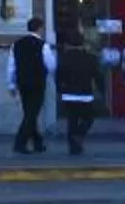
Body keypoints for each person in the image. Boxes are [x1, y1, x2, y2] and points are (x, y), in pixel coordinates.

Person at [55, 26, 104, 155]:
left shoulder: (65, 58)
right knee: (88, 118)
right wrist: (101, 90)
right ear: (82, 43)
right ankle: (79, 134)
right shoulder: (90, 58)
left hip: (69, 94)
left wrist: (60, 89)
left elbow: (59, 76)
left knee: (72, 120)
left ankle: (73, 147)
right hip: (85, 94)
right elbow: (98, 76)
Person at [10, 15, 50, 154]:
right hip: (38, 82)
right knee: (32, 114)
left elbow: (12, 66)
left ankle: (38, 142)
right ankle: (20, 143)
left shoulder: (16, 44)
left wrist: (11, 84)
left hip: (22, 82)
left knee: (29, 112)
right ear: (40, 28)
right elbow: (50, 64)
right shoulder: (43, 45)